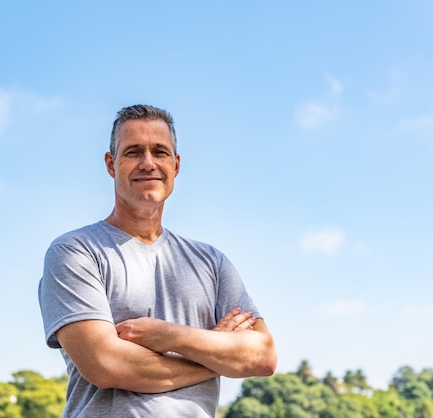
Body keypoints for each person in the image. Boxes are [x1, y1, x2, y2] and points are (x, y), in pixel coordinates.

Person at [38, 104, 277, 417]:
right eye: (134, 151)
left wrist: (169, 335)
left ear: (176, 165)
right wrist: (216, 353)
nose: (148, 163)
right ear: (111, 164)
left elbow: (263, 356)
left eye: (160, 152)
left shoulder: (212, 263)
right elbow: (106, 365)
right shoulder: (75, 252)